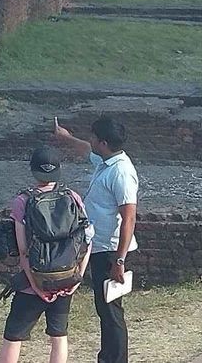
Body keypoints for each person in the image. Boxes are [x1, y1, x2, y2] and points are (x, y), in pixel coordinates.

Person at [0, 145, 93, 363]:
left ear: (33, 171)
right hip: (65, 279)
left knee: (13, 337)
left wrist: (36, 285)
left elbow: (23, 250)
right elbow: (87, 241)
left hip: (34, 284)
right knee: (59, 337)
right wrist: (76, 278)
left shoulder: (23, 201)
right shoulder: (73, 197)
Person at [54, 116, 138, 363]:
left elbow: (129, 219)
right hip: (99, 246)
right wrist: (66, 138)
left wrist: (119, 261)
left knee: (111, 311)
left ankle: (115, 359)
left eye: (93, 137)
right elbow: (85, 149)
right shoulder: (106, 161)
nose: (90, 140)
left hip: (111, 250)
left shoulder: (121, 172)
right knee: (105, 309)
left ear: (103, 142)